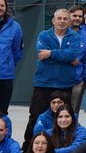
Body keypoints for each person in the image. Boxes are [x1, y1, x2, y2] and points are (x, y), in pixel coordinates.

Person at [26, 9, 82, 144]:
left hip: (65, 84)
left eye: (65, 19)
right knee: (35, 116)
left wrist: (50, 53)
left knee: (64, 118)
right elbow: (41, 55)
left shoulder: (75, 37)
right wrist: (66, 57)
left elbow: (72, 55)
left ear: (69, 21)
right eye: (59, 18)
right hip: (43, 84)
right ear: (53, 21)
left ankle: (61, 144)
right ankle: (28, 146)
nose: (62, 21)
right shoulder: (44, 35)